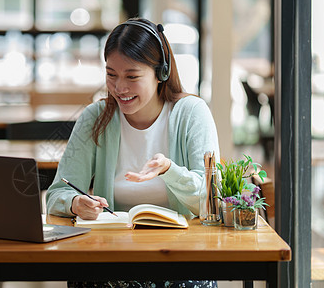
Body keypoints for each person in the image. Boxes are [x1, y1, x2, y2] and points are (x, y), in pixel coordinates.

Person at [45, 18, 220, 288]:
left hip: (179, 259)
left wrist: (169, 170)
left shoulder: (192, 114)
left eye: (132, 76)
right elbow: (58, 192)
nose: (119, 88)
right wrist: (75, 203)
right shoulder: (96, 117)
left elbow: (210, 202)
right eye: (111, 74)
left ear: (160, 73)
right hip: (111, 256)